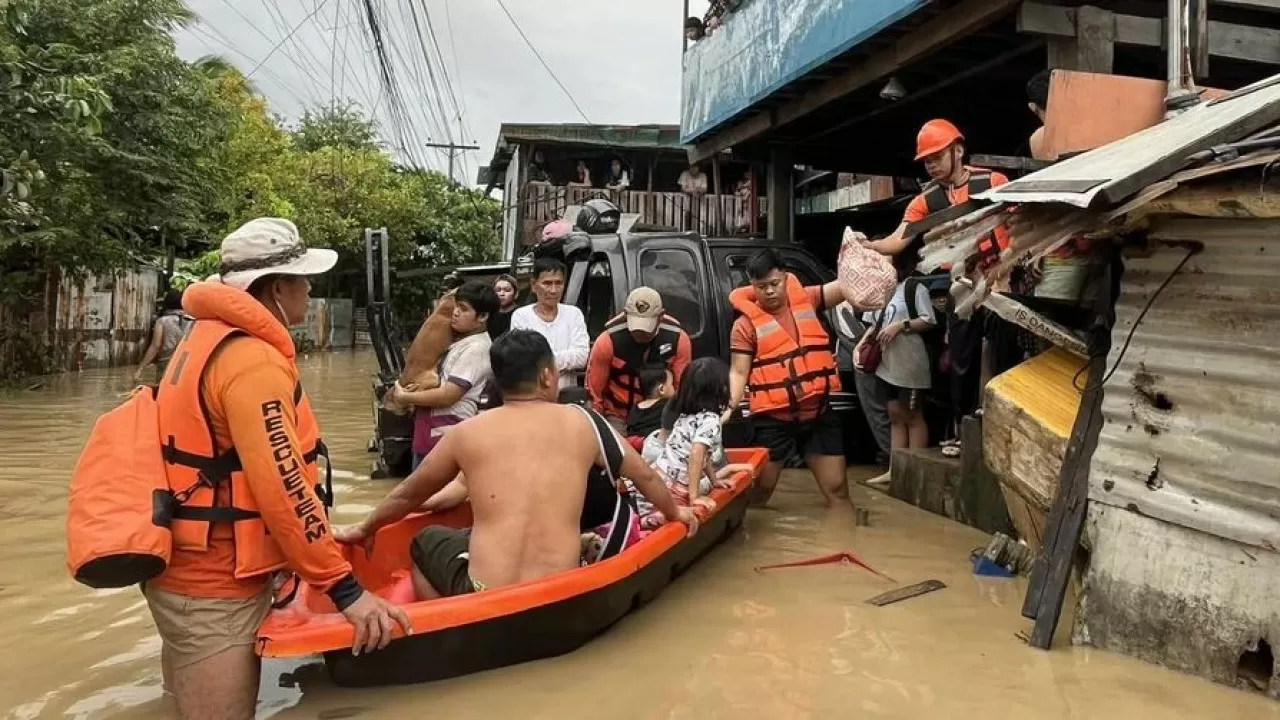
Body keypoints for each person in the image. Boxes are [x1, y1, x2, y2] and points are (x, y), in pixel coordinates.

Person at [143, 218, 409, 720]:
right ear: (277, 288)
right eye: (303, 280)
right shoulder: (252, 361)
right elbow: (283, 487)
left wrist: (298, 548)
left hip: (183, 568)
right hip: (215, 585)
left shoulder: (204, 338)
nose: (310, 290)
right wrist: (345, 589)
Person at [337, 329, 699, 599]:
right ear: (547, 376)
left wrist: (366, 527)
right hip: (561, 585)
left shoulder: (466, 432)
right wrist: (676, 513)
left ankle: (450, 620)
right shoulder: (585, 422)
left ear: (498, 380)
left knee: (425, 540)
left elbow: (407, 495)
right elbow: (646, 476)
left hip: (485, 590)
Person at [862, 119, 1011, 451]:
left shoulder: (993, 181)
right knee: (961, 360)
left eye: (937, 157)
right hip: (960, 286)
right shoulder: (925, 201)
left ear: (958, 151)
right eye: (926, 160)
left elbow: (1018, 223)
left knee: (1004, 353)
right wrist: (868, 245)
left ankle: (1001, 430)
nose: (931, 165)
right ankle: (961, 431)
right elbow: (898, 240)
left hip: (1001, 279)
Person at [727, 248, 848, 507]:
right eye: (761, 286)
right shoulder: (744, 326)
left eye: (774, 283)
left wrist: (870, 257)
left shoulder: (807, 298)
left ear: (785, 276)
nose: (769, 291)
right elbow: (738, 371)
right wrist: (729, 407)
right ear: (752, 285)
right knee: (758, 494)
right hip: (773, 420)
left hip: (818, 414)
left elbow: (846, 287)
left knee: (838, 492)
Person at [390, 281, 497, 471]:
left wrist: (405, 397)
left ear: (483, 316)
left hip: (447, 435)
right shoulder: (460, 343)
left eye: (463, 309)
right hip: (433, 434)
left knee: (432, 490)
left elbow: (449, 395)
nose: (455, 312)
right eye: (456, 306)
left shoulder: (476, 348)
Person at [853, 258, 938, 485]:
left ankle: (915, 472)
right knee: (894, 414)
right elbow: (873, 324)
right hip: (886, 364)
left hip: (910, 363)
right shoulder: (881, 290)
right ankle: (895, 469)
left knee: (913, 415)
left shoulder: (914, 287)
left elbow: (929, 320)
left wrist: (902, 326)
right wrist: (860, 346)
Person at [586, 286, 692, 432]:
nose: (640, 333)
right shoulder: (607, 341)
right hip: (619, 417)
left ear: (661, 316)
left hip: (661, 415)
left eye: (646, 327)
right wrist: (596, 426)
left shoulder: (678, 340)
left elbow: (682, 388)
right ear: (625, 315)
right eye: (636, 326)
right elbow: (594, 392)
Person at [509, 257, 589, 390]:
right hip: (533, 394)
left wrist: (541, 360)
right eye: (547, 283)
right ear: (534, 285)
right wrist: (566, 358)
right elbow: (523, 359)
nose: (553, 290)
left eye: (558, 283)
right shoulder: (521, 316)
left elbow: (582, 356)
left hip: (566, 394)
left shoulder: (574, 314)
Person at [135, 288, 192, 383]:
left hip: (166, 363)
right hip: (186, 363)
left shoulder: (162, 321)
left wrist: (140, 368)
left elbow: (155, 346)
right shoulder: (194, 322)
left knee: (162, 389)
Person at [626, 367, 672, 440]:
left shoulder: (635, 408)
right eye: (672, 384)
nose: (674, 388)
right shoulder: (668, 405)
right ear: (661, 389)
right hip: (654, 444)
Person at [488, 274, 519, 340]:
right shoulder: (489, 314)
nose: (501, 294)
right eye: (498, 290)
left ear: (515, 293)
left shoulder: (520, 313)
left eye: (507, 290)